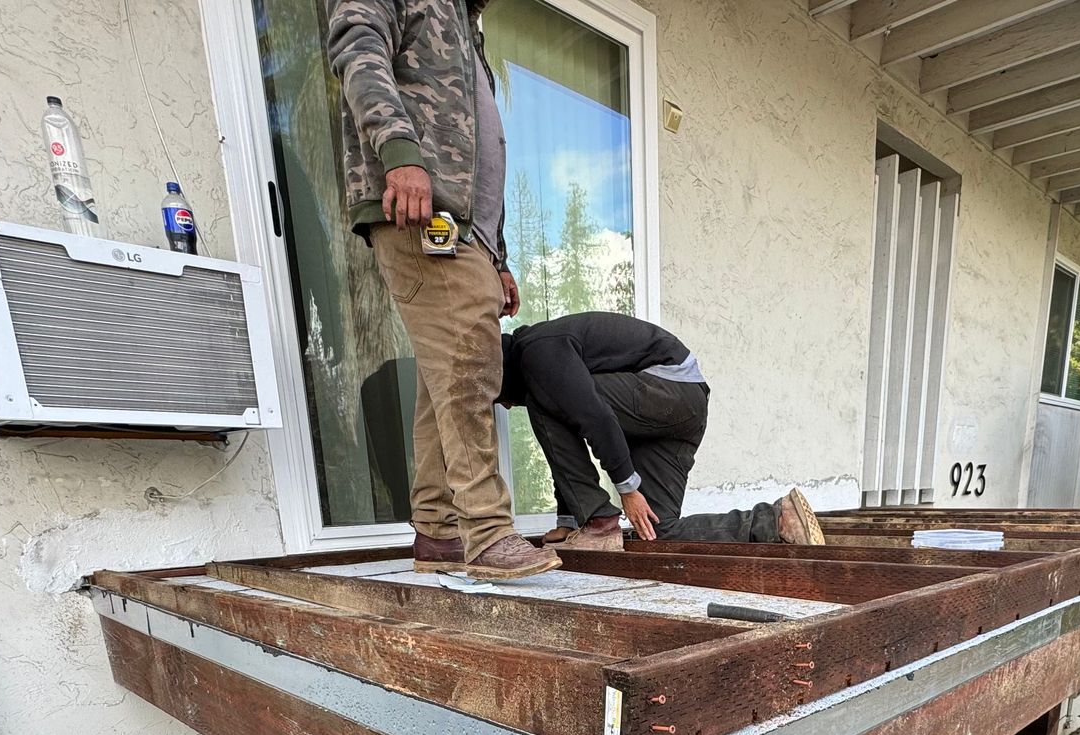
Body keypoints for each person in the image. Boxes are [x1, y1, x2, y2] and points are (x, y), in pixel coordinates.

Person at [328, 0, 557, 579]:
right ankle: (487, 529)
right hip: (422, 209)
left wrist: (498, 257)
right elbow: (358, 44)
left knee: (445, 379)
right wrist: (400, 154)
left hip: (467, 231)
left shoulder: (464, 23)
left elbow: (481, 155)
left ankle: (438, 530)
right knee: (468, 370)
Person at [497, 312, 826, 550]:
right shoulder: (544, 358)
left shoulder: (538, 349)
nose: (508, 406)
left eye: (501, 398)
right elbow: (568, 435)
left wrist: (627, 490)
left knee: (545, 398)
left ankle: (598, 522)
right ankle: (776, 520)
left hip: (668, 387)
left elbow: (596, 417)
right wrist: (567, 522)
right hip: (679, 409)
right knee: (656, 531)